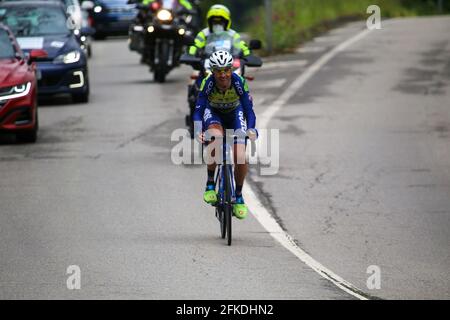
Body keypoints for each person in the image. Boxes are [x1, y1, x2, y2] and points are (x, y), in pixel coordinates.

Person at [193, 50, 257, 220]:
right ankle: (210, 183)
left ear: (231, 69)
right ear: (212, 71)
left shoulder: (238, 82)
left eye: (226, 70)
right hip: (214, 113)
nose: (223, 75)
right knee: (215, 138)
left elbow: (249, 111)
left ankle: (238, 196)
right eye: (218, 71)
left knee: (240, 155)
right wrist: (199, 130)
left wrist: (251, 129)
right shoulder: (208, 83)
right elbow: (198, 110)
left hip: (235, 113)